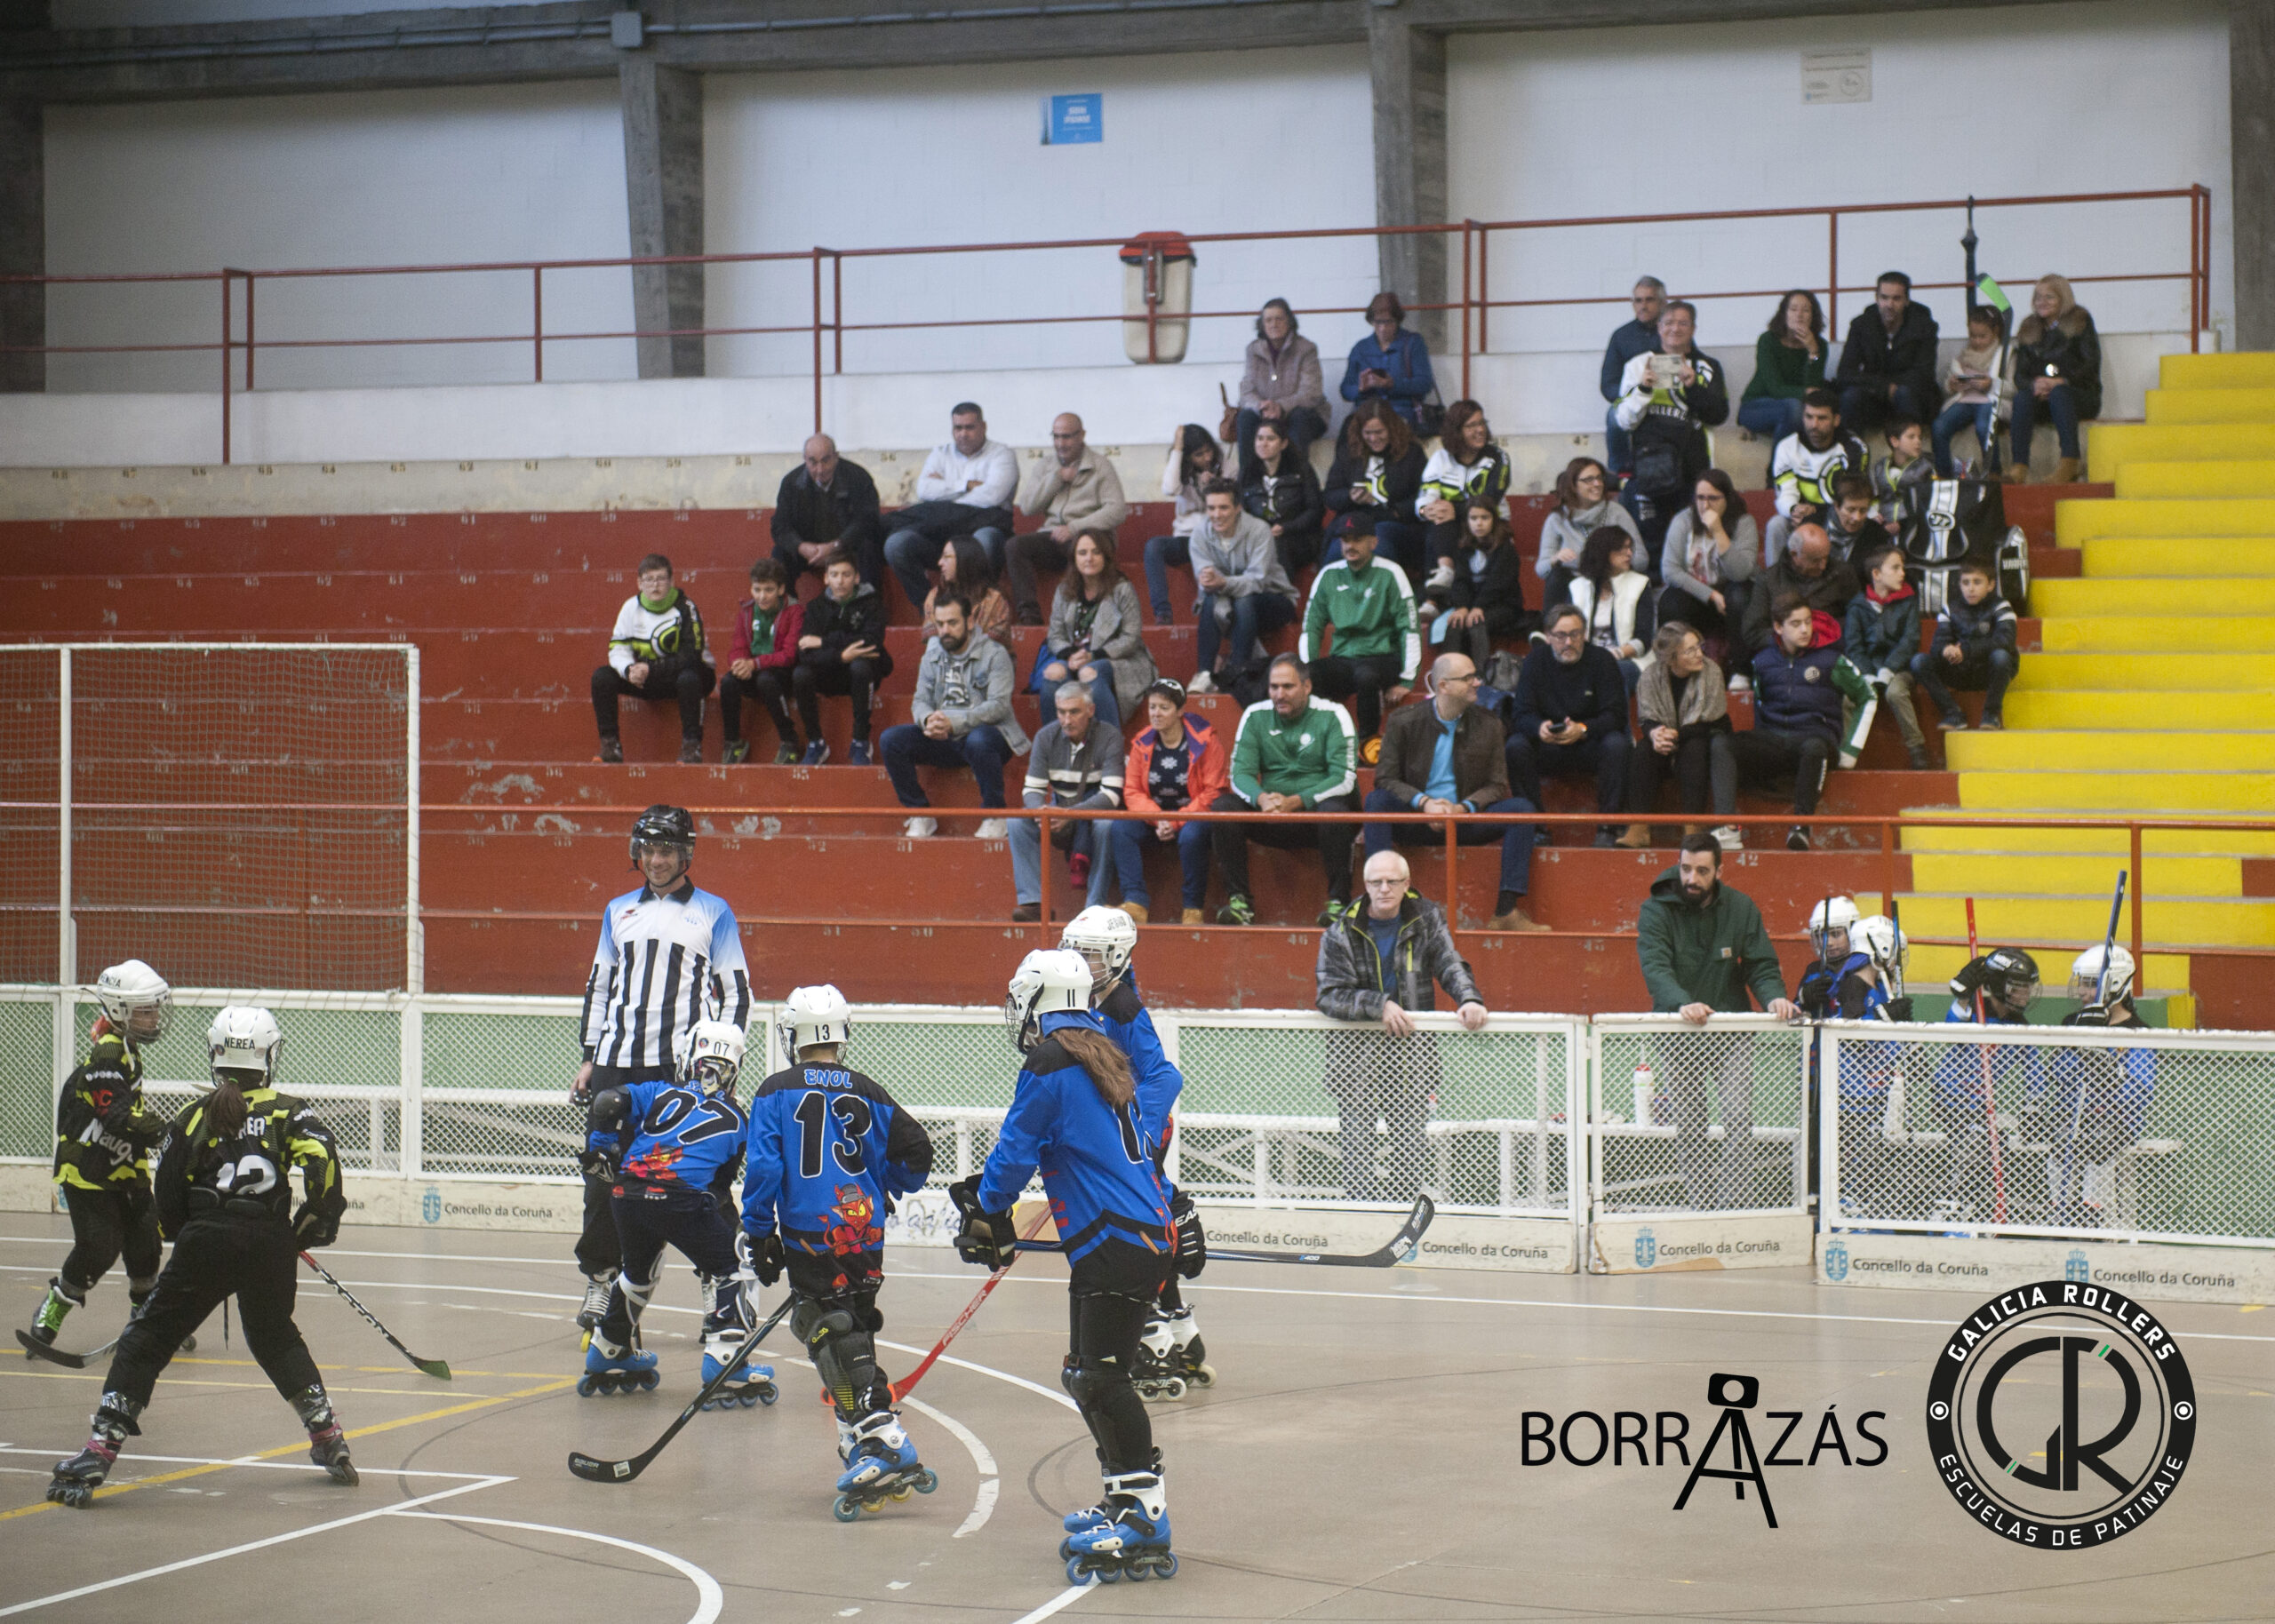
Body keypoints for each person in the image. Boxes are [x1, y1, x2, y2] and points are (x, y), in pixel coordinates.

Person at [46, 1007, 354, 1508]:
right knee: (277, 1339)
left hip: (206, 1242)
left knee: (146, 1339)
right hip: (269, 1245)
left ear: (215, 1056)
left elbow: (166, 1194)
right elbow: (323, 1161)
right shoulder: (291, 1111)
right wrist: (308, 1227)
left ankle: (98, 1451)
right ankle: (329, 1438)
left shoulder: (193, 1117)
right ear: (270, 1056)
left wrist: (192, 1236)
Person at [951, 949, 1180, 1582]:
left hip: (1117, 1241)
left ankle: (1145, 1514)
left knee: (1103, 1377)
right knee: (1084, 1373)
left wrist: (987, 1209)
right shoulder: (1097, 1050)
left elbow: (1016, 1147)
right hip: (1122, 1236)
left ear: (1037, 1000)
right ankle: (1124, 1497)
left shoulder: (1051, 1061)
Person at [744, 985, 938, 1511]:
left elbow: (764, 1167)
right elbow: (918, 1149)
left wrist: (758, 1228)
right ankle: (863, 1431)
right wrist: (887, 1182)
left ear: (793, 1035)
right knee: (849, 1323)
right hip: (862, 1231)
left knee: (826, 1327)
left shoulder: (773, 1089)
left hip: (810, 1230)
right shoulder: (869, 1089)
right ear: (841, 1033)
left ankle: (879, 1435)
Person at [571, 805, 752, 1333]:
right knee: (604, 1177)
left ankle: (718, 1285)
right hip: (617, 1065)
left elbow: (737, 994)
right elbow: (599, 988)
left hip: (680, 1072)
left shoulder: (715, 913)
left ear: (686, 853)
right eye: (647, 850)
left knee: (695, 1183)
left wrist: (721, 1068)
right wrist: (589, 1058)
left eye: (666, 849)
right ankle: (603, 1280)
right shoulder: (617, 911)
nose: (656, 859)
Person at [1056, 907, 1212, 1402]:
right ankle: (1180, 1328)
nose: (1079, 961)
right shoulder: (1077, 997)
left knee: (1131, 1226)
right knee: (1143, 1223)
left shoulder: (1123, 1008)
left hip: (1138, 1130)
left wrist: (1136, 1133)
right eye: (1074, 950)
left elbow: (1165, 1076)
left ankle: (1149, 1333)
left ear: (1117, 958)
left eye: (1092, 955)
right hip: (1114, 1132)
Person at [580, 1020, 771, 1405]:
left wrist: (601, 1146)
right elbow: (717, 1192)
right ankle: (725, 1358)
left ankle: (609, 1345)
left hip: (625, 1192)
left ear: (689, 1060)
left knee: (639, 1272)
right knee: (734, 1266)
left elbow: (609, 1102)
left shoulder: (659, 1092)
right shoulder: (738, 1121)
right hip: (679, 1198)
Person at [25, 959, 181, 1357]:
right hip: (90, 1173)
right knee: (98, 1247)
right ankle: (52, 1311)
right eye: (146, 1010)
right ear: (120, 1011)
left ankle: (144, 1319)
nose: (154, 1017)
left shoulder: (126, 1047)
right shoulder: (109, 1053)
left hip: (125, 1169)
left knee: (146, 1244)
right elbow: (115, 1118)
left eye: (154, 1008)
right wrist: (169, 1132)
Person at [1634, 834, 1799, 1212]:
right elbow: (1655, 967)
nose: (1692, 878)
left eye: (1702, 871)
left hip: (1731, 1029)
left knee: (1738, 1116)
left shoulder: (1741, 908)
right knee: (1689, 1125)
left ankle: (1735, 1208)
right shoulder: (1655, 909)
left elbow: (1761, 963)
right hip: (1677, 1031)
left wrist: (1773, 995)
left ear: (1720, 871)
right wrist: (1682, 1003)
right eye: (1686, 868)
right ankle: (1701, 1208)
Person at [1317, 850, 1489, 1201]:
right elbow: (1329, 995)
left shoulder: (1426, 918)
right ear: (1365, 886)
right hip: (1355, 1059)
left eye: (1392, 881)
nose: (1383, 889)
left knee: (1410, 1142)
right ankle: (1360, 1215)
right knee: (1356, 1144)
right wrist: (1379, 1006)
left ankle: (1404, 1216)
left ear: (1406, 884)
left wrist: (1469, 999)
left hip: (1412, 1055)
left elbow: (1449, 962)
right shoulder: (1340, 930)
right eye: (1375, 882)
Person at [1362, 651, 1545, 931]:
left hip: (1463, 819)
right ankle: (1382, 909)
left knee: (1522, 810)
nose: (1477, 683)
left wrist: (1463, 808)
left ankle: (1506, 912)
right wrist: (1424, 804)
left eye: (1475, 675)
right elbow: (1385, 779)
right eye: (1468, 678)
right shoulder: (1403, 720)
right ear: (1443, 685)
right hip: (1416, 818)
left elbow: (1497, 786)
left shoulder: (1490, 724)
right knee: (1376, 802)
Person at [1210, 654, 1359, 927]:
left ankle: (1339, 904)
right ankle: (1240, 903)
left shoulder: (1334, 714)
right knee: (1223, 808)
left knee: (1336, 808)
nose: (1279, 694)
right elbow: (1240, 774)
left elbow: (1344, 777)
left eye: (1288, 687)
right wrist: (1262, 798)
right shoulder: (1255, 715)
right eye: (1274, 687)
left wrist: (1297, 801)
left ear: (1307, 686)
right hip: (1273, 814)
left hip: (1317, 816)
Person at [881, 593, 1027, 841]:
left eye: (953, 623)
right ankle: (920, 814)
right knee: (890, 739)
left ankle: (995, 814)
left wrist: (954, 721)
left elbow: (999, 707)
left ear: (970, 622)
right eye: (940, 624)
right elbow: (921, 700)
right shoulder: (932, 652)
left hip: (989, 739)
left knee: (979, 740)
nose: (945, 630)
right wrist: (928, 721)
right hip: (945, 738)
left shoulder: (995, 654)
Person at [1738, 593, 1872, 851]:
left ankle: (1801, 827)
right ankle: (1727, 827)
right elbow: (1759, 705)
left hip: (1817, 741)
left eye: (1808, 622)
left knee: (1814, 747)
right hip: (1777, 741)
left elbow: (1867, 696)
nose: (1805, 629)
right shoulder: (1762, 661)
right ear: (1778, 627)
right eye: (1796, 624)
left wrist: (1851, 750)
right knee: (1725, 743)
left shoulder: (1831, 659)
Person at [1612, 300, 1729, 569]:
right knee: (1651, 542)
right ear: (1659, 328)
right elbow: (1623, 421)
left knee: (1690, 542)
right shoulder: (1638, 365)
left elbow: (1719, 416)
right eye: (1669, 323)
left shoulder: (1708, 366)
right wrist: (1643, 389)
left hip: (1694, 468)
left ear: (1693, 328)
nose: (1675, 328)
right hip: (1649, 466)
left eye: (1683, 323)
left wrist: (1693, 387)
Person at [1507, 603, 1632, 848]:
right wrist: (1539, 728)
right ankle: (1535, 827)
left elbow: (1616, 715)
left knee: (1617, 744)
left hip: (1589, 742)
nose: (1569, 642)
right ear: (1548, 636)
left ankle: (1609, 826)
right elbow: (1521, 714)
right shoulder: (1534, 661)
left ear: (1584, 634)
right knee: (1515, 745)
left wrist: (1583, 728)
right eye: (1561, 635)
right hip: (1549, 746)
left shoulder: (1602, 660)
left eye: (1575, 634)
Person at [2049, 944, 2155, 1227]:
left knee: (2100, 1142)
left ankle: (2098, 1221)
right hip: (2072, 1123)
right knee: (2059, 1145)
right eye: (2081, 983)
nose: (2082, 992)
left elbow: (2140, 1090)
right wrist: (2084, 1040)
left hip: (2114, 1127)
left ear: (2114, 984)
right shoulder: (2073, 1023)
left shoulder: (2138, 1033)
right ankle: (2061, 1216)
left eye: (2089, 984)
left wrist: (2107, 1071)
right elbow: (2058, 1074)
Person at [1933, 947, 2041, 1222]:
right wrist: (1963, 997)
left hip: (1980, 1105)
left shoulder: (2019, 1028)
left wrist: (2034, 1105)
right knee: (1974, 1141)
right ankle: (1950, 1206)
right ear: (1998, 986)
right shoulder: (1973, 1012)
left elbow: (2035, 1071)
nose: (2025, 994)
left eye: (2027, 988)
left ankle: (1970, 1203)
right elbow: (1951, 1030)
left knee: (1993, 1145)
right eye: (2018, 988)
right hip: (1948, 1096)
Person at [1112, 679, 1226, 926]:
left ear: (1180, 710)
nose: (1156, 714)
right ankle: (1136, 902)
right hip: (1156, 819)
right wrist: (1159, 818)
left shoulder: (1205, 740)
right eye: (1152, 707)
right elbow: (1132, 791)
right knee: (1120, 828)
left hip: (1194, 818)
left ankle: (1192, 909)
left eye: (1164, 708)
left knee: (1192, 835)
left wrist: (1175, 820)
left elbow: (1213, 791)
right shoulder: (1141, 742)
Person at [883, 402, 1019, 609]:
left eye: (969, 427)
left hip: (983, 531)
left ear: (983, 426)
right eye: (958, 428)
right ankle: (930, 611)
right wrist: (966, 486)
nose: (963, 434)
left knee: (985, 540)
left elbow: (993, 496)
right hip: (941, 536)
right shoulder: (940, 454)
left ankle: (977, 608)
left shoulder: (1002, 455)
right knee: (896, 544)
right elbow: (924, 490)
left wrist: (945, 498)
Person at [1010, 682, 1125, 923]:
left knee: (1107, 826)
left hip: (1090, 818)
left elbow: (1111, 796)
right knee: (1017, 821)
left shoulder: (1110, 736)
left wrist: (1068, 814)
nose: (1066, 719)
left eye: (1074, 712)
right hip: (1058, 814)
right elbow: (1032, 789)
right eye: (1061, 712)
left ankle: (1093, 906)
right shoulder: (1045, 736)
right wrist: (1041, 812)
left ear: (1091, 710)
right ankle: (1033, 903)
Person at [1621, 622, 1738, 851]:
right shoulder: (1650, 675)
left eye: (1699, 646)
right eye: (1690, 650)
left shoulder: (1711, 671)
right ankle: (1638, 826)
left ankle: (1693, 827)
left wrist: (1671, 735)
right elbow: (1646, 718)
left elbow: (1709, 720)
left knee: (1694, 748)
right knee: (1644, 750)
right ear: (1671, 659)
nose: (1699, 654)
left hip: (1703, 734)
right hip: (1666, 738)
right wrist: (1655, 733)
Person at [1007, 412, 1130, 625]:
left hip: (1090, 536)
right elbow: (1027, 507)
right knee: (1014, 546)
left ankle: (1090, 614)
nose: (1060, 443)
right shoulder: (1045, 466)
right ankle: (1030, 616)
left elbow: (1117, 510)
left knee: (1084, 545)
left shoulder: (1101, 466)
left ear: (1082, 435)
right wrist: (1056, 479)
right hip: (1053, 536)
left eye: (1067, 437)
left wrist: (1075, 527)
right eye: (1056, 437)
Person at [592, 552, 714, 765]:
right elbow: (617, 648)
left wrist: (651, 669)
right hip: (647, 679)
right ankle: (611, 746)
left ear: (672, 581)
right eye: (649, 579)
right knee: (602, 677)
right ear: (639, 583)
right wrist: (629, 670)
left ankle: (691, 747)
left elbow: (691, 657)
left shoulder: (687, 608)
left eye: (660, 579)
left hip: (686, 677)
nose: (655, 585)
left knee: (690, 678)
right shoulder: (630, 607)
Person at [1301, 522, 1419, 744]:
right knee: (1306, 676)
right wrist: (1306, 669)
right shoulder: (1328, 575)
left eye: (1357, 539)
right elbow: (1311, 626)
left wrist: (1407, 680)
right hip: (1343, 659)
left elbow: (1409, 627)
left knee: (1366, 676)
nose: (1350, 545)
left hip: (1382, 658)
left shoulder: (1391, 573)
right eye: (1345, 540)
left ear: (1373, 542)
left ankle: (1368, 742)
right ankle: (1323, 742)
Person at [1033, 531, 1155, 728]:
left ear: (1106, 557)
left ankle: (1110, 749)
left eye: (1096, 552)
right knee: (1052, 673)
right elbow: (1055, 635)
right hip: (1073, 659)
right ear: (1074, 558)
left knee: (1090, 673)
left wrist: (1093, 656)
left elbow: (1131, 638)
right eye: (1082, 553)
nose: (1089, 558)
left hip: (1118, 659)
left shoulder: (1122, 588)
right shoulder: (1064, 590)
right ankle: (1058, 750)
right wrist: (1071, 654)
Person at [1188, 477, 1297, 694]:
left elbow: (1258, 581)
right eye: (1211, 508)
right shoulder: (1199, 533)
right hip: (1228, 606)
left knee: (1244, 600)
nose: (1217, 515)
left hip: (1274, 600)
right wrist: (1210, 582)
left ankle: (1237, 671)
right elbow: (1206, 583)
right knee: (1212, 599)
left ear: (1238, 508)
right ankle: (1205, 674)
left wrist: (1223, 583)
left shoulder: (1259, 530)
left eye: (1223, 507)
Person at [792, 547, 892, 767]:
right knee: (800, 673)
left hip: (861, 675)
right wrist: (840, 656)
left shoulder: (872, 603)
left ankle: (860, 742)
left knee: (861, 666)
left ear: (856, 578)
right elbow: (805, 652)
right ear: (826, 578)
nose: (840, 581)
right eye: (835, 575)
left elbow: (871, 641)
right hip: (829, 672)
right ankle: (816, 742)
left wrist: (824, 642)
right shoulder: (816, 607)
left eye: (846, 575)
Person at [1657, 469, 1758, 673]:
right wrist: (1709, 594)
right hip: (1697, 593)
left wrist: (1719, 531)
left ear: (1727, 498)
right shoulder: (1683, 520)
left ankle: (1742, 671)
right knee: (1670, 601)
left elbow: (1740, 573)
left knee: (1741, 595)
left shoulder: (1744, 523)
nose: (1705, 505)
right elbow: (1669, 569)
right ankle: (1675, 667)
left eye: (1713, 498)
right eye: (1700, 498)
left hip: (1731, 591)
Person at [2008, 274, 2102, 484]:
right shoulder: (2028, 327)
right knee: (2022, 398)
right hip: (2042, 397)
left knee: (2060, 393)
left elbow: (2090, 365)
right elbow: (2019, 375)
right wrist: (2035, 385)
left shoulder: (2080, 321)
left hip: (2080, 394)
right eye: (2038, 297)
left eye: (2049, 297)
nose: (2042, 302)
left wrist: (2061, 381)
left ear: (2063, 298)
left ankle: (2070, 462)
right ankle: (2019, 466)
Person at [1842, 545, 1930, 769]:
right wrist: (1869, 673)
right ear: (1876, 574)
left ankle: (1917, 748)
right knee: (1848, 698)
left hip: (1900, 669)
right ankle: (1846, 752)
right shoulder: (1857, 606)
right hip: (1869, 669)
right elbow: (1854, 645)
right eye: (1896, 568)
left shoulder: (1908, 602)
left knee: (1895, 692)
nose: (1903, 573)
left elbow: (1910, 640)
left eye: (1902, 568)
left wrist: (1889, 668)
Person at [1322, 401, 1428, 580]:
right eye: (1368, 433)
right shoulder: (1349, 453)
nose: (1373, 438)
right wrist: (1351, 497)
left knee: (1377, 543)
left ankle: (1379, 601)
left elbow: (1424, 494)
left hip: (1394, 522)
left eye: (1379, 432)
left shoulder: (1412, 453)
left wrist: (1397, 512)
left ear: (1392, 429)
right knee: (1337, 550)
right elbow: (1331, 495)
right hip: (1354, 520)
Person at [1910, 558, 2018, 732]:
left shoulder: (2001, 606)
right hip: (1959, 670)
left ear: (1990, 585)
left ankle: (1991, 715)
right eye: (1965, 582)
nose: (1971, 588)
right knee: (1919, 661)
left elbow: (2005, 641)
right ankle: (1953, 714)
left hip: (1987, 672)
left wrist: (1966, 650)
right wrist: (1947, 650)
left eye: (1977, 582)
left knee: (2002, 656)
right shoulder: (1950, 609)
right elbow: (1938, 644)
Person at [1415, 399, 1511, 590]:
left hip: (1491, 521)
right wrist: (1427, 510)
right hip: (1449, 523)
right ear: (1456, 431)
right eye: (1471, 426)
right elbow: (1426, 493)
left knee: (1451, 520)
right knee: (1437, 522)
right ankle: (1440, 583)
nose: (1480, 430)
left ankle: (1441, 592)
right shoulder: (1440, 458)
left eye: (1482, 423)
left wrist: (1455, 509)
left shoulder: (1498, 457)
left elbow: (1490, 499)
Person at [771, 434, 884, 593]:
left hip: (846, 548)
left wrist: (836, 545)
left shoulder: (858, 477)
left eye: (826, 460)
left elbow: (867, 520)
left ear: (836, 457)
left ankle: (869, 608)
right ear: (804, 459)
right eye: (813, 462)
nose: (820, 469)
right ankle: (785, 612)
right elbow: (779, 526)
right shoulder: (791, 483)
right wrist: (800, 546)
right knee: (780, 554)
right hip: (809, 552)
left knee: (868, 548)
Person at [719, 556, 805, 765]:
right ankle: (733, 742)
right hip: (754, 669)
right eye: (757, 589)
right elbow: (738, 646)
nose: (762, 596)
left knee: (765, 679)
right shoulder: (747, 611)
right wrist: (739, 663)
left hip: (783, 673)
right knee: (728, 682)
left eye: (768, 590)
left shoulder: (795, 611)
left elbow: (788, 655)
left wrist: (754, 664)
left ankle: (789, 741)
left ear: (781, 589)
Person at [1764, 387, 1865, 563]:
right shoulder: (1787, 446)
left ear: (1836, 420)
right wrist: (1793, 509)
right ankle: (1776, 585)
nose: (1814, 425)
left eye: (1822, 418)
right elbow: (1784, 492)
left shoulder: (1854, 449)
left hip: (1837, 519)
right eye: (1809, 417)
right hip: (1801, 517)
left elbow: (1852, 499)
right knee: (1777, 524)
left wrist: (1813, 515)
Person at [1833, 271, 1941, 434]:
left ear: (1906, 300)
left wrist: (1895, 387)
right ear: (1876, 298)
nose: (1889, 304)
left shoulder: (1924, 327)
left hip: (1913, 397)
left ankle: (1910, 455)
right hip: (1876, 395)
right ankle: (1852, 452)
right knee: (1850, 397)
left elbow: (1924, 374)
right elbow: (1845, 372)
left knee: (1904, 393)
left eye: (1896, 298)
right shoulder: (1861, 325)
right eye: (1884, 298)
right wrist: (1884, 387)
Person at [1425, 500, 1528, 668]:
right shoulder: (1465, 548)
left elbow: (1498, 584)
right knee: (1455, 622)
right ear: (1467, 522)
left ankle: (1480, 674)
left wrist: (1479, 606)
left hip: (1503, 605)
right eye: (1473, 518)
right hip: (1472, 605)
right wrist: (1462, 607)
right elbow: (1461, 581)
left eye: (1484, 518)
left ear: (1494, 520)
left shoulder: (1505, 548)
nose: (1479, 523)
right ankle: (1451, 672)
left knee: (1476, 623)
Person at [1142, 425, 1225, 623]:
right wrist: (1177, 448)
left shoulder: (1225, 465)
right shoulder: (1181, 469)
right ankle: (1163, 612)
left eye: (1208, 451)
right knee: (1153, 546)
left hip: (1214, 539)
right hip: (1185, 538)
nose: (1206, 458)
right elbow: (1170, 489)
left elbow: (1230, 506)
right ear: (1188, 457)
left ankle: (1209, 609)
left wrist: (1215, 486)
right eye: (1198, 454)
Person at [1538, 456, 1641, 614]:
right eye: (1589, 480)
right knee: (1557, 576)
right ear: (1573, 485)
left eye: (1600, 478)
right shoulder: (1557, 519)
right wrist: (1556, 558)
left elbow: (1641, 558)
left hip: (1611, 580)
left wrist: (1613, 563)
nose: (1597, 484)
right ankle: (1553, 632)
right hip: (1572, 583)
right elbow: (1541, 569)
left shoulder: (1616, 512)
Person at [1738, 521, 1859, 654]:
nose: (1823, 566)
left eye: (1826, 557)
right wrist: (1789, 637)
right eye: (1815, 560)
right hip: (1785, 654)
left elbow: (1858, 616)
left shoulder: (1842, 573)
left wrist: (1825, 629)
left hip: (1830, 649)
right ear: (1795, 555)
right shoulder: (1769, 579)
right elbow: (1753, 632)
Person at [1234, 298, 1329, 469]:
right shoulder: (1253, 350)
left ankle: (1294, 480)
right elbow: (1246, 391)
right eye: (1268, 320)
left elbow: (1311, 393)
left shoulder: (1306, 349)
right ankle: (1248, 485)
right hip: (1266, 416)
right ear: (1262, 325)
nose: (1274, 324)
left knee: (1299, 417)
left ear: (1290, 322)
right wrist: (1260, 407)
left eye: (1279, 319)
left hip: (1303, 415)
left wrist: (1281, 406)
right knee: (1245, 418)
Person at [1567, 523, 1656, 696]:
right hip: (1585, 659)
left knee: (1611, 674)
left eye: (1630, 548)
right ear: (1603, 551)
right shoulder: (1577, 586)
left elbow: (1644, 639)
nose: (1629, 554)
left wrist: (1613, 654)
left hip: (1630, 660)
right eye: (1622, 549)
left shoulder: (1639, 583)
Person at [1736, 289, 1829, 448]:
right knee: (1793, 407)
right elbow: (1776, 389)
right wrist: (1805, 393)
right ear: (1784, 314)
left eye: (1806, 310)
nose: (1799, 315)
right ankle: (1776, 470)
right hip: (1756, 406)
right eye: (1793, 309)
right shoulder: (1768, 340)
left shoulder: (1820, 345)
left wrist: (1812, 352)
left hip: (1796, 409)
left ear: (1813, 316)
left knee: (1803, 412)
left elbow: (1814, 387)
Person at [1240, 416, 1325, 580]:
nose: (1263, 444)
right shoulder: (1247, 473)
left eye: (1270, 439)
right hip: (1260, 538)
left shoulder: (1302, 470)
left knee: (1276, 546)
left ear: (1283, 443)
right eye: (1259, 438)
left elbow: (1315, 511)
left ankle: (1282, 596)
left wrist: (1286, 528)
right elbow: (1242, 510)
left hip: (1298, 538)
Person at [1599, 276, 1667, 474]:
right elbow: (1608, 384)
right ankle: (1619, 472)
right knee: (1613, 415)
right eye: (1638, 300)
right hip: (1632, 400)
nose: (1643, 306)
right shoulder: (1621, 336)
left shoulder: (1673, 332)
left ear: (1663, 302)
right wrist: (1632, 397)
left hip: (1667, 401)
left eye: (1649, 300)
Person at [1339, 291, 1435, 426]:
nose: (1383, 328)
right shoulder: (1361, 348)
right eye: (1378, 322)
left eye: (1388, 322)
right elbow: (1345, 390)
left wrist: (1393, 384)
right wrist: (1360, 388)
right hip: (1366, 412)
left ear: (1397, 321)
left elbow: (1424, 383)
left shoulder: (1413, 343)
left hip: (1401, 411)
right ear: (1372, 321)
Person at [1934, 306, 2009, 476]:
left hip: (1989, 400)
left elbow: (2013, 388)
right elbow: (1949, 384)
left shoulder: (2005, 354)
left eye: (1982, 336)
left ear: (1995, 332)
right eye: (1973, 336)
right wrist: (1952, 385)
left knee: (1984, 427)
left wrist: (1991, 384)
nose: (1976, 341)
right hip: (1965, 400)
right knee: (1939, 427)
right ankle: (1943, 474)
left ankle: (1993, 472)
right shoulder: (1962, 355)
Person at [921, 533, 1011, 647]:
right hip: (945, 661)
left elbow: (991, 646)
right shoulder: (935, 596)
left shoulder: (994, 600)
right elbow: (933, 642)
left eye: (947, 557)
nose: (940, 563)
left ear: (965, 559)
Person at [1871, 416, 1934, 529]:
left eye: (1920, 437)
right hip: (1884, 526)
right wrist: (1874, 514)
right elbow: (1874, 497)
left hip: (1916, 525)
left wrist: (1903, 523)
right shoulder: (1879, 467)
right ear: (1895, 441)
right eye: (1911, 437)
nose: (1918, 442)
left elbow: (1930, 501)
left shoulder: (1927, 466)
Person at [1821, 473, 1894, 567]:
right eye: (1851, 510)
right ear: (1837, 506)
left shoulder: (1877, 536)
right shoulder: (1815, 522)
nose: (1857, 518)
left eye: (1863, 510)